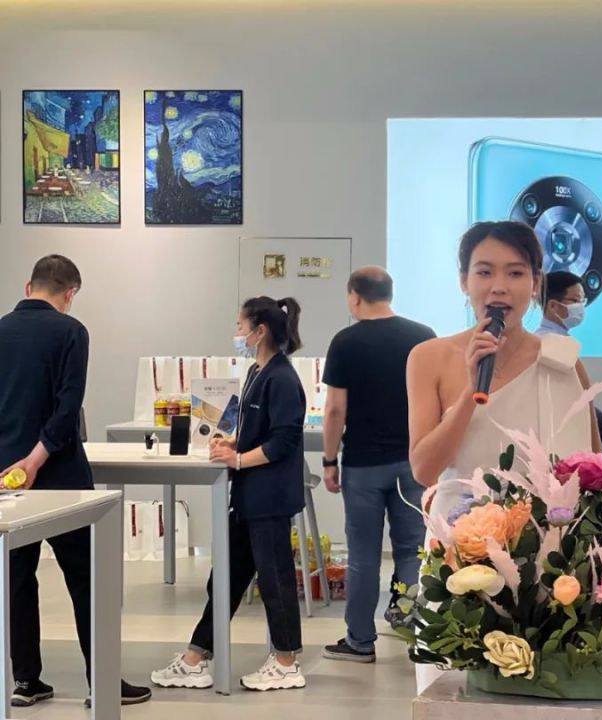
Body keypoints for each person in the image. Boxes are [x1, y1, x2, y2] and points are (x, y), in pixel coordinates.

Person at [406, 221, 602, 693]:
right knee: (454, 693)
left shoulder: (562, 359)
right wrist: (471, 388)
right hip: (462, 553)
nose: (499, 286)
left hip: (551, 559)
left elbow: (592, 464)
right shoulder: (430, 357)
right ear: (464, 281)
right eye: (484, 271)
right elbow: (424, 468)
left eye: (516, 273)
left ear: (535, 284)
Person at [0, 255, 152, 707]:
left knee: (16, 578)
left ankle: (26, 681)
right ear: (70, 294)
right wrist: (37, 459)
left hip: (6, 477)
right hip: (61, 475)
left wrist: (16, 465)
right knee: (87, 577)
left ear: (28, 286)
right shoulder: (72, 332)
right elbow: (67, 410)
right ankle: (100, 682)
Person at [152, 296, 307, 692]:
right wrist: (232, 443)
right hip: (248, 498)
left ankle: (287, 661)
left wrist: (238, 460)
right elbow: (256, 428)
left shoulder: (282, 378)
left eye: (240, 326)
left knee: (275, 580)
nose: (236, 333)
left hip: (269, 498)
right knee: (226, 577)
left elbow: (283, 441)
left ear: (260, 331)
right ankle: (197, 656)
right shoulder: (257, 371)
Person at [320, 267, 435, 663]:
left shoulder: (345, 342)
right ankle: (417, 636)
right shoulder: (423, 336)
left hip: (363, 466)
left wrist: (329, 460)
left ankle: (360, 641)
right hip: (413, 463)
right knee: (413, 551)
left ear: (355, 296)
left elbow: (335, 410)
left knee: (363, 557)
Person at [536, 270, 602, 448]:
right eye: (576, 300)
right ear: (553, 306)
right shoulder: (550, 342)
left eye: (582, 301)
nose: (581, 307)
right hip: (566, 419)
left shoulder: (555, 339)